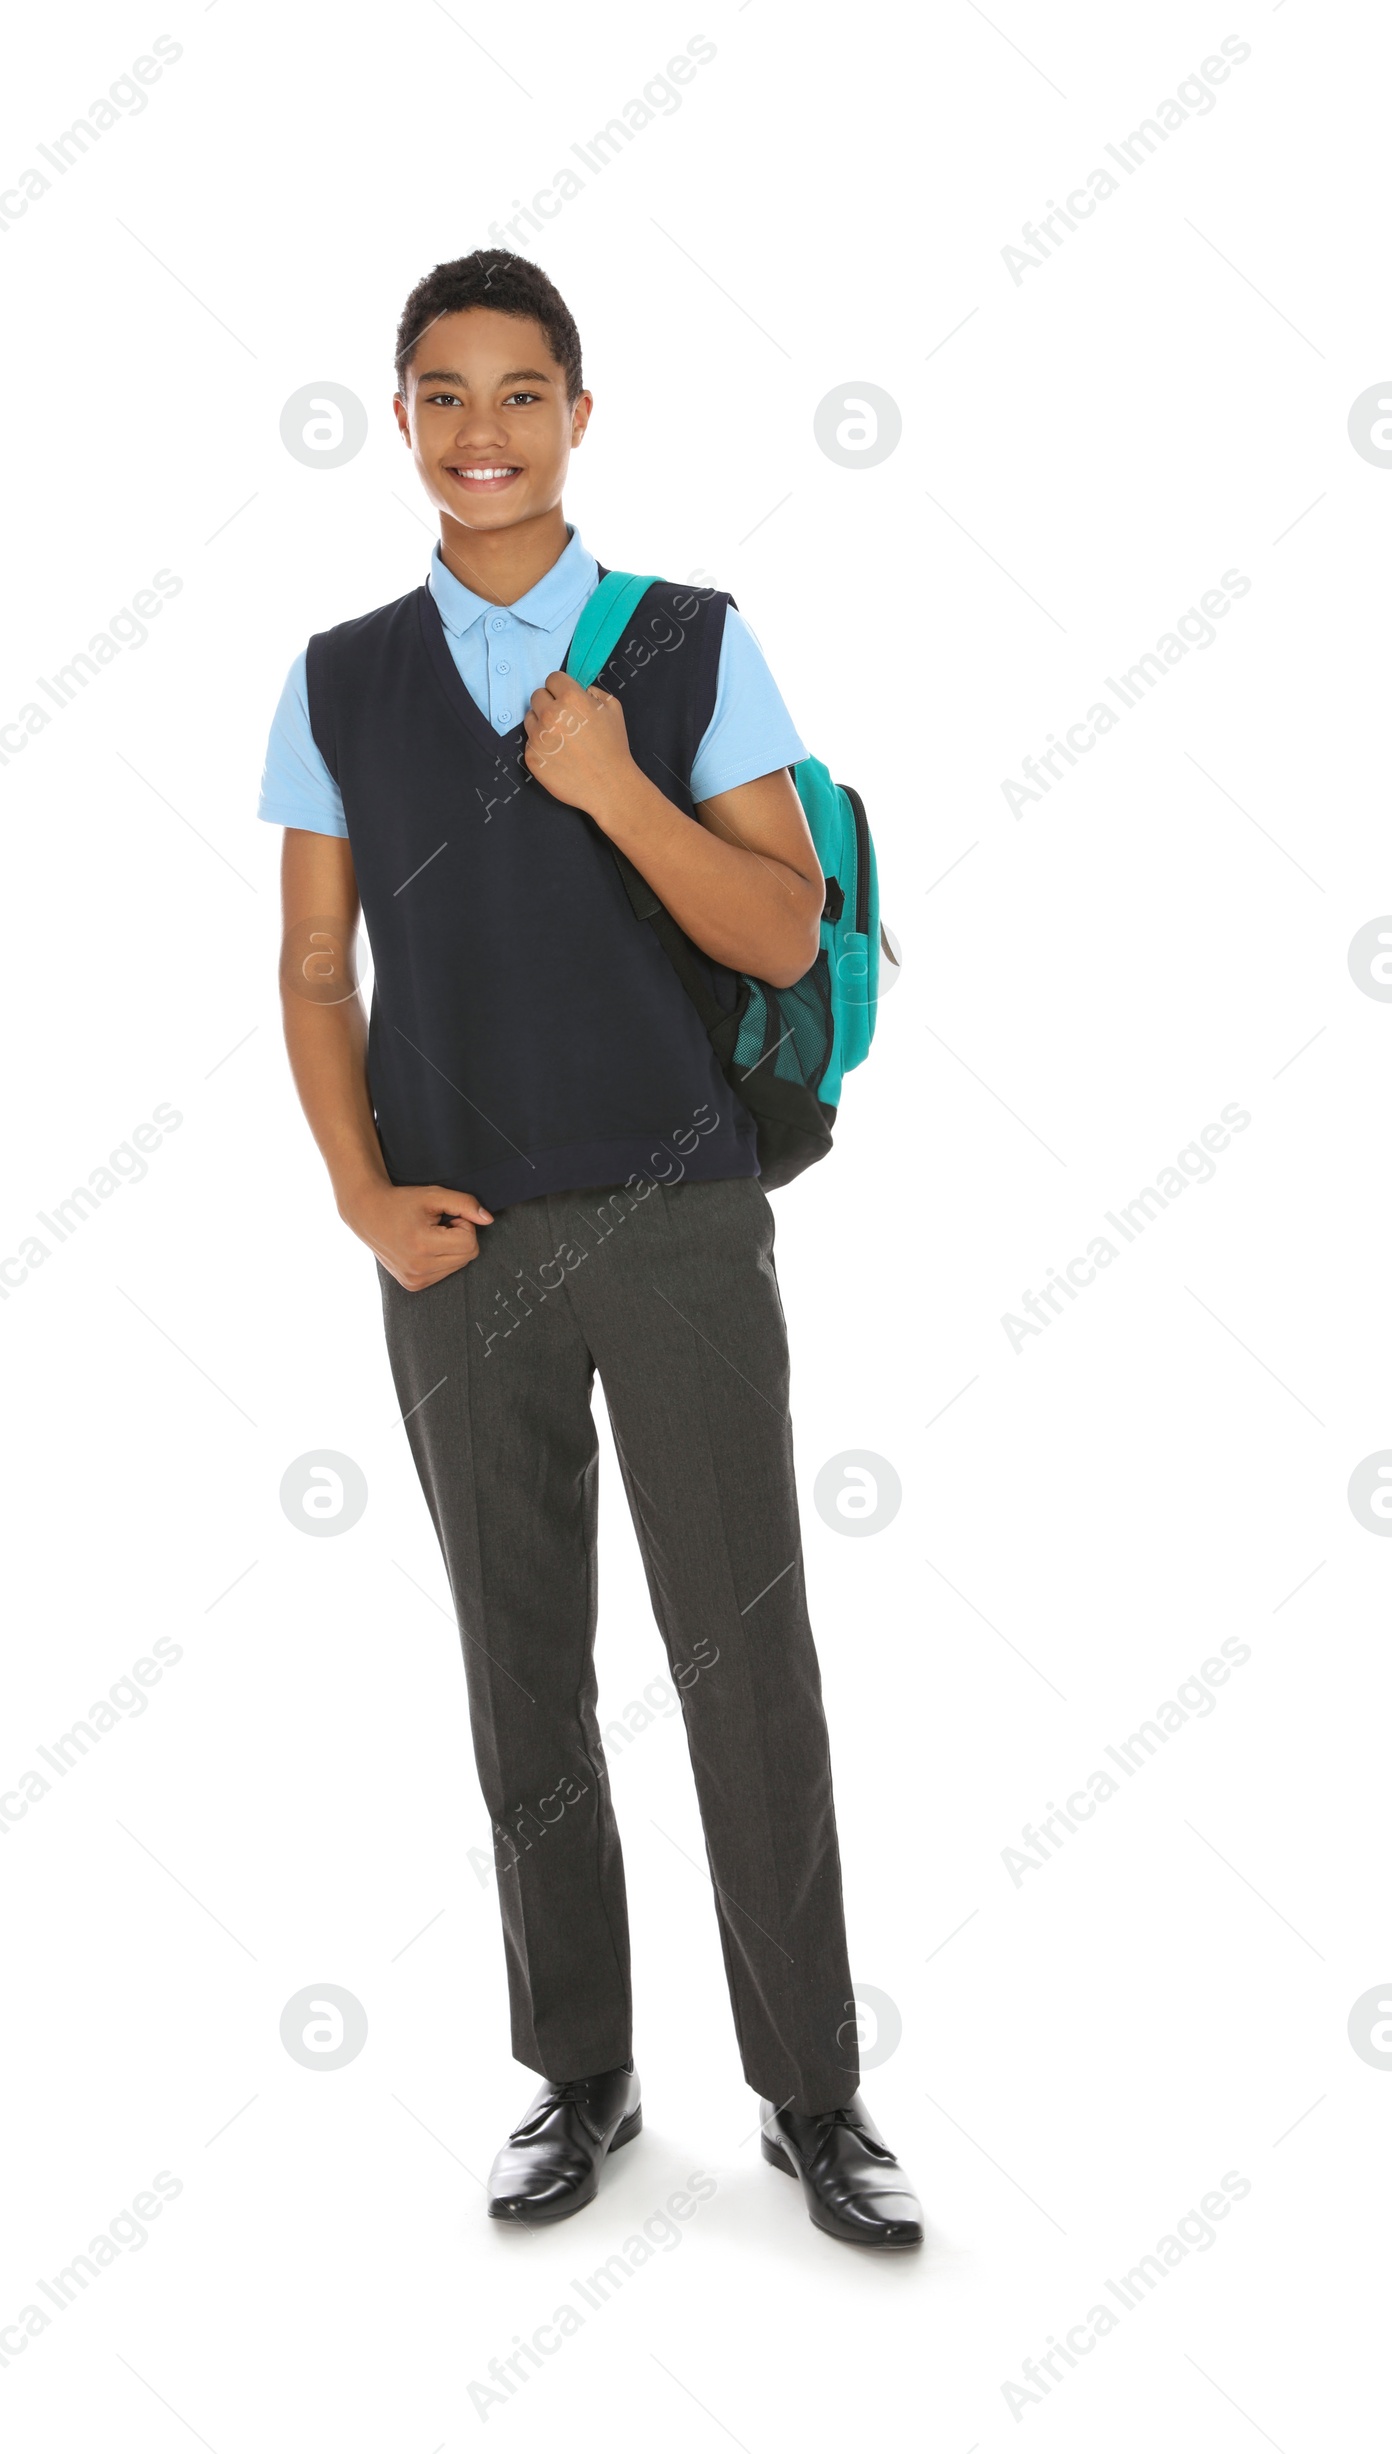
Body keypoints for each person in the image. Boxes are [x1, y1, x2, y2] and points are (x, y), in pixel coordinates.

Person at [260, 249, 923, 2249]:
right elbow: (310, 966)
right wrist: (362, 1197)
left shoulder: (689, 646)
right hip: (456, 1247)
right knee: (520, 1668)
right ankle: (580, 2078)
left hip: (678, 1221)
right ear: (399, 420)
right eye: (443, 393)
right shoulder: (337, 681)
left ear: (576, 415)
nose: (482, 431)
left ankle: (814, 2097)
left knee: (742, 1656)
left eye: (521, 392)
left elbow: (783, 930)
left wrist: (612, 789)